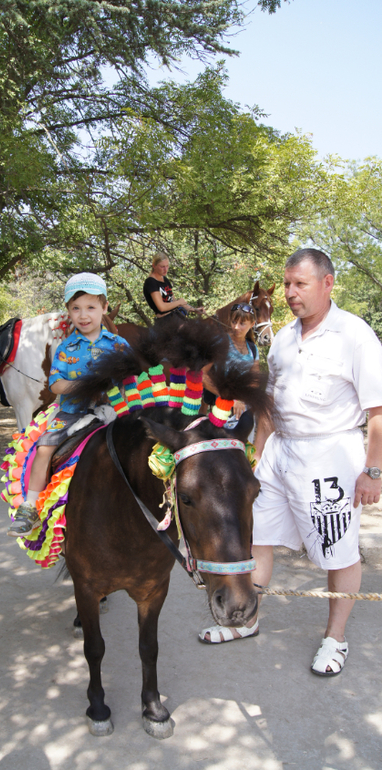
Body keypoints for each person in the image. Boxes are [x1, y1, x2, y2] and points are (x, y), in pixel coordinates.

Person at [198, 248, 382, 678]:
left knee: (339, 552)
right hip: (279, 453)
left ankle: (335, 638)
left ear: (327, 283)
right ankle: (248, 619)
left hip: (331, 456)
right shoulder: (280, 338)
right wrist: (257, 457)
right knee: (256, 536)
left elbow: (378, 412)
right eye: (287, 284)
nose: (291, 293)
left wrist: (373, 471)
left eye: (300, 284)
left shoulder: (354, 336)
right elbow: (268, 406)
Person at [7, 272, 129, 537]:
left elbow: (131, 377)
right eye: (76, 308)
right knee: (44, 448)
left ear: (104, 308)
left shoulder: (119, 345)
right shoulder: (65, 347)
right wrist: (86, 386)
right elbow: (56, 385)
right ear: (68, 312)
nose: (83, 315)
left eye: (90, 307)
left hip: (116, 410)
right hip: (73, 411)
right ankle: (30, 508)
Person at [202, 302, 259, 425]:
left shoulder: (253, 348)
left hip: (245, 411)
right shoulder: (220, 342)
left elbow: (254, 380)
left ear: (252, 324)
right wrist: (230, 400)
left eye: (242, 323)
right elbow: (202, 375)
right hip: (222, 411)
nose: (236, 327)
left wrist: (244, 400)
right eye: (234, 322)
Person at [143, 252, 203, 320]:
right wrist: (179, 302)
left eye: (167, 266)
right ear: (154, 266)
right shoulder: (151, 282)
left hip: (176, 316)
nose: (165, 269)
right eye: (162, 266)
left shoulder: (165, 279)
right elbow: (162, 307)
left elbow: (173, 302)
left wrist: (194, 310)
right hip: (165, 321)